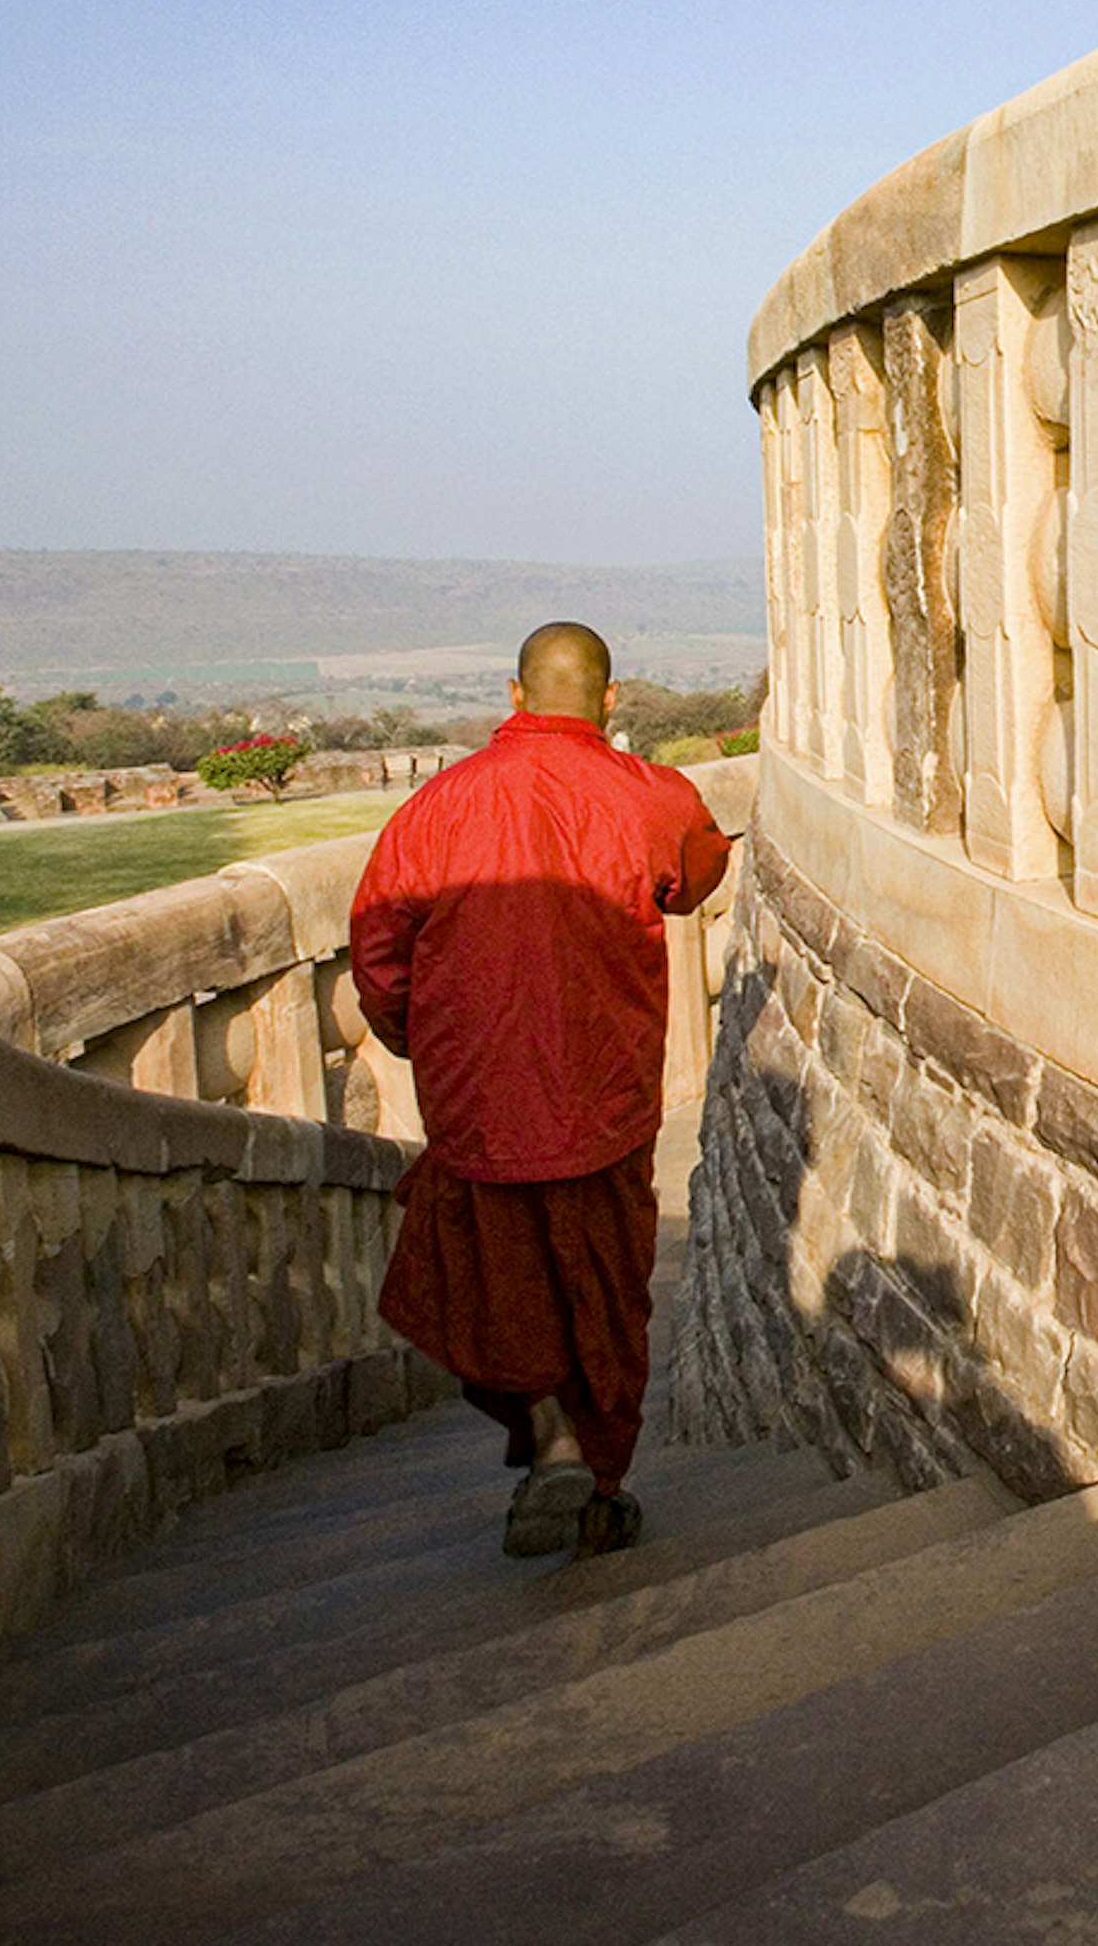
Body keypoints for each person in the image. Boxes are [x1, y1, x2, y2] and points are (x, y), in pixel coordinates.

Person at [349, 620, 731, 1559]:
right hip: (604, 1088)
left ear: (514, 695)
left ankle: (553, 1435)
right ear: (609, 699)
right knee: (604, 1284)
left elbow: (377, 954)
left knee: (502, 1278)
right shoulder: (650, 796)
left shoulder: (434, 810)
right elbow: (698, 872)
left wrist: (428, 1045)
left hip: (479, 1096)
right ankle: (600, 1483)